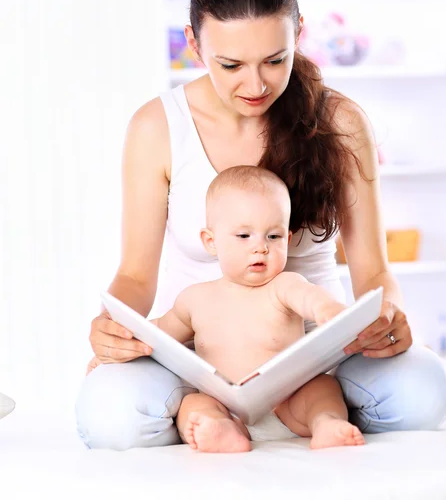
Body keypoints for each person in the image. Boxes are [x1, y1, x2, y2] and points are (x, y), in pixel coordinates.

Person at [75, 0, 446, 450]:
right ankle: (211, 410)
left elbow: (374, 274)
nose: (255, 86)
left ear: (299, 31)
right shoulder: (158, 127)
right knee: (108, 415)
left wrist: (390, 323)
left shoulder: (339, 121)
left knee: (423, 391)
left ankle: (308, 406)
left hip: (317, 353)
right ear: (193, 43)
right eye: (230, 65)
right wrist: (114, 331)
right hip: (200, 354)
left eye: (276, 60)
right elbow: (136, 275)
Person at [154, 165, 363, 452]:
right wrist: (119, 347)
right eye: (244, 236)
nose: (260, 248)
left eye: (273, 237)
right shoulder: (194, 299)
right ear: (211, 242)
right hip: (227, 406)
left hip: (288, 405)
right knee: (193, 403)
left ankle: (325, 423)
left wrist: (328, 310)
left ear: (287, 240)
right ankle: (221, 431)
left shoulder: (284, 286)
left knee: (323, 388)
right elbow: (156, 336)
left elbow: (311, 298)